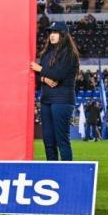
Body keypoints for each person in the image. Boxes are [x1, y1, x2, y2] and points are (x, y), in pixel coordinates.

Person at [30, 21, 80, 161]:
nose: (52, 35)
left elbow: (58, 74)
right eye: (51, 33)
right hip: (46, 99)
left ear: (63, 35)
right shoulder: (47, 53)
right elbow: (42, 75)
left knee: (61, 140)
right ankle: (52, 171)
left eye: (55, 32)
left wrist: (41, 70)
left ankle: (67, 172)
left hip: (62, 100)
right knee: (48, 140)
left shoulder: (70, 54)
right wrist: (45, 78)